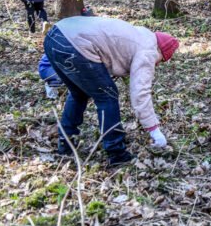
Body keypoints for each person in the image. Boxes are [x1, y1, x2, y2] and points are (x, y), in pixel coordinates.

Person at [44, 16, 180, 165]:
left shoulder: (139, 35)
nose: (158, 64)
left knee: (78, 94)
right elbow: (141, 93)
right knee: (108, 96)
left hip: (55, 35)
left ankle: (66, 143)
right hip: (75, 44)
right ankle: (116, 153)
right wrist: (154, 130)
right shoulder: (148, 51)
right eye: (161, 61)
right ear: (161, 52)